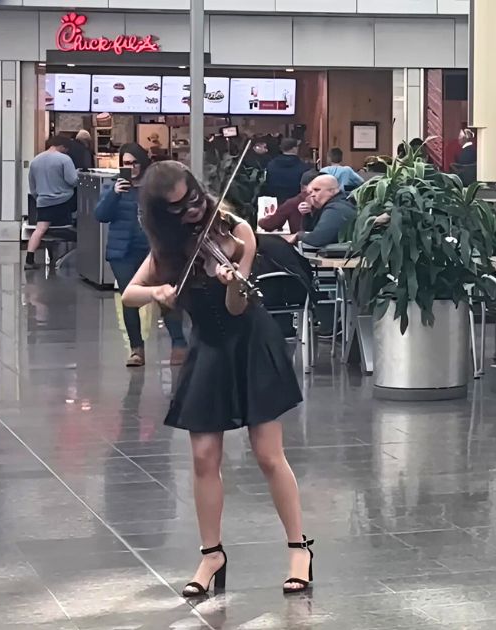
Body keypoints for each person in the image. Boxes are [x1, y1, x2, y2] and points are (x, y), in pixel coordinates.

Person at [122, 161, 313, 597]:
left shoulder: (237, 231)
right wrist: (157, 292)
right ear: (160, 214)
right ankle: (211, 554)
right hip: (208, 348)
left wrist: (232, 281)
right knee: (204, 457)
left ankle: (299, 547)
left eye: (193, 198)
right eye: (177, 208)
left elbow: (236, 308)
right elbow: (130, 294)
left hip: (249, 343)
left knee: (268, 455)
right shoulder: (167, 251)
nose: (191, 210)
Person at [95, 144, 188, 367]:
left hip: (153, 249)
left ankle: (179, 343)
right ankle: (136, 349)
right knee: (130, 299)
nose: (131, 168)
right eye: (126, 164)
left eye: (135, 162)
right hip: (123, 252)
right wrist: (115, 194)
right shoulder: (115, 186)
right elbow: (101, 215)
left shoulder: (154, 186)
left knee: (166, 295)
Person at [25, 136, 78, 270]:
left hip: (43, 202)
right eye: (66, 149)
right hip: (64, 201)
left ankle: (29, 260)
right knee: (69, 229)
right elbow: (72, 181)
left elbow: (32, 186)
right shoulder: (65, 159)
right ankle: (67, 259)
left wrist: (40, 198)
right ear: (63, 147)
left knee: (40, 230)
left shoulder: (35, 160)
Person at [285, 174, 357, 249]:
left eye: (316, 190)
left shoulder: (336, 209)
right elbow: (311, 231)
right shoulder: (336, 204)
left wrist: (298, 235)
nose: (312, 195)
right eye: (310, 192)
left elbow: (318, 239)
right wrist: (308, 214)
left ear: (332, 191)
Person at [263, 138, 311, 204]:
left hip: (275, 203)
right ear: (294, 149)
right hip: (296, 204)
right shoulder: (304, 167)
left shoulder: (271, 165)